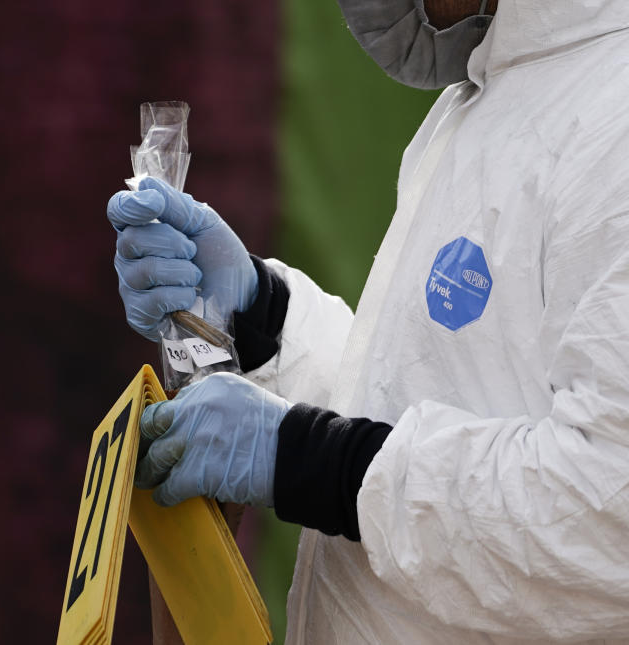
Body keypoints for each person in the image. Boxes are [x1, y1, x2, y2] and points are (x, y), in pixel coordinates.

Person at [106, 0, 629, 642]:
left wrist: (311, 460)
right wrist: (265, 319)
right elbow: (426, 398)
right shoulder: (492, 91)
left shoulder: (612, 117)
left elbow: (608, 516)